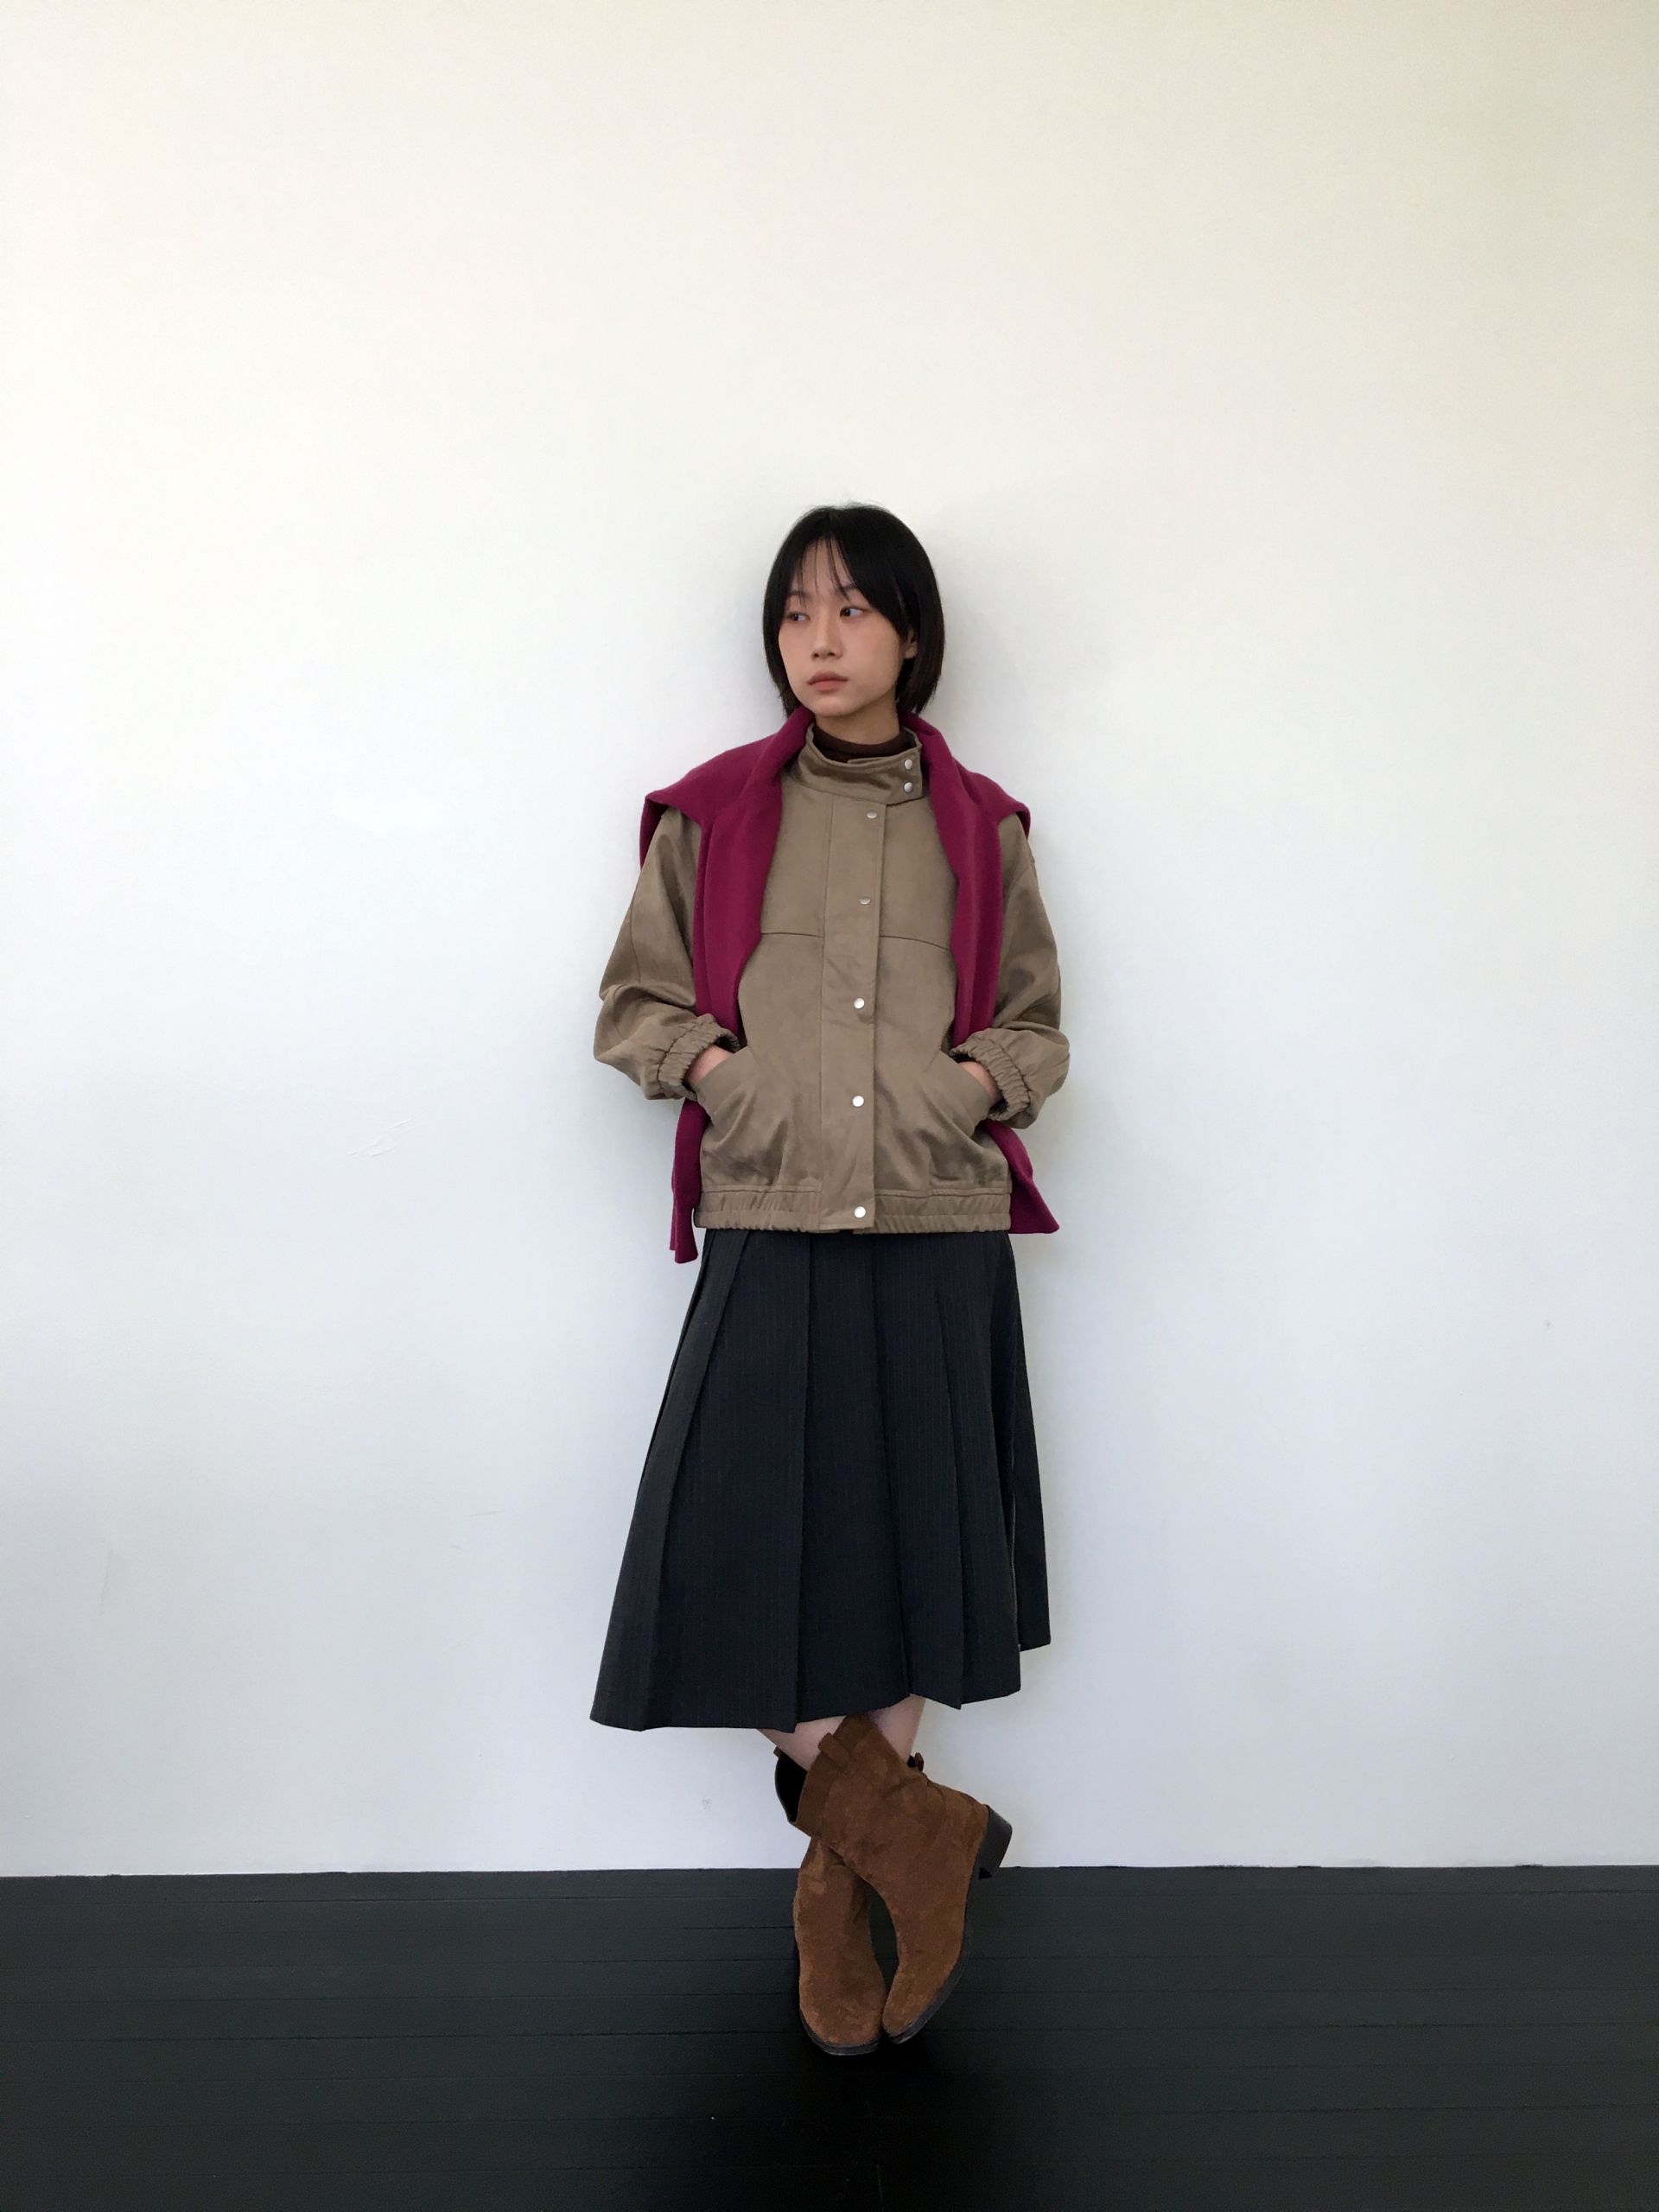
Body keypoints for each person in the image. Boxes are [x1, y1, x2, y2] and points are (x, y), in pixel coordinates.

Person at [588, 503, 1069, 2056]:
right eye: (796, 611)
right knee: (726, 1552)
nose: (820, 638)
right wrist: (726, 1079)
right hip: (771, 1218)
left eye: (853, 609)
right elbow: (636, 1007)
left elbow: (1033, 1031)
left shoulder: (983, 829)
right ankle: (919, 1837)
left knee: (911, 1551)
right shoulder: (713, 815)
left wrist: (960, 1092)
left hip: (935, 1228)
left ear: (911, 634)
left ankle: (835, 1893)